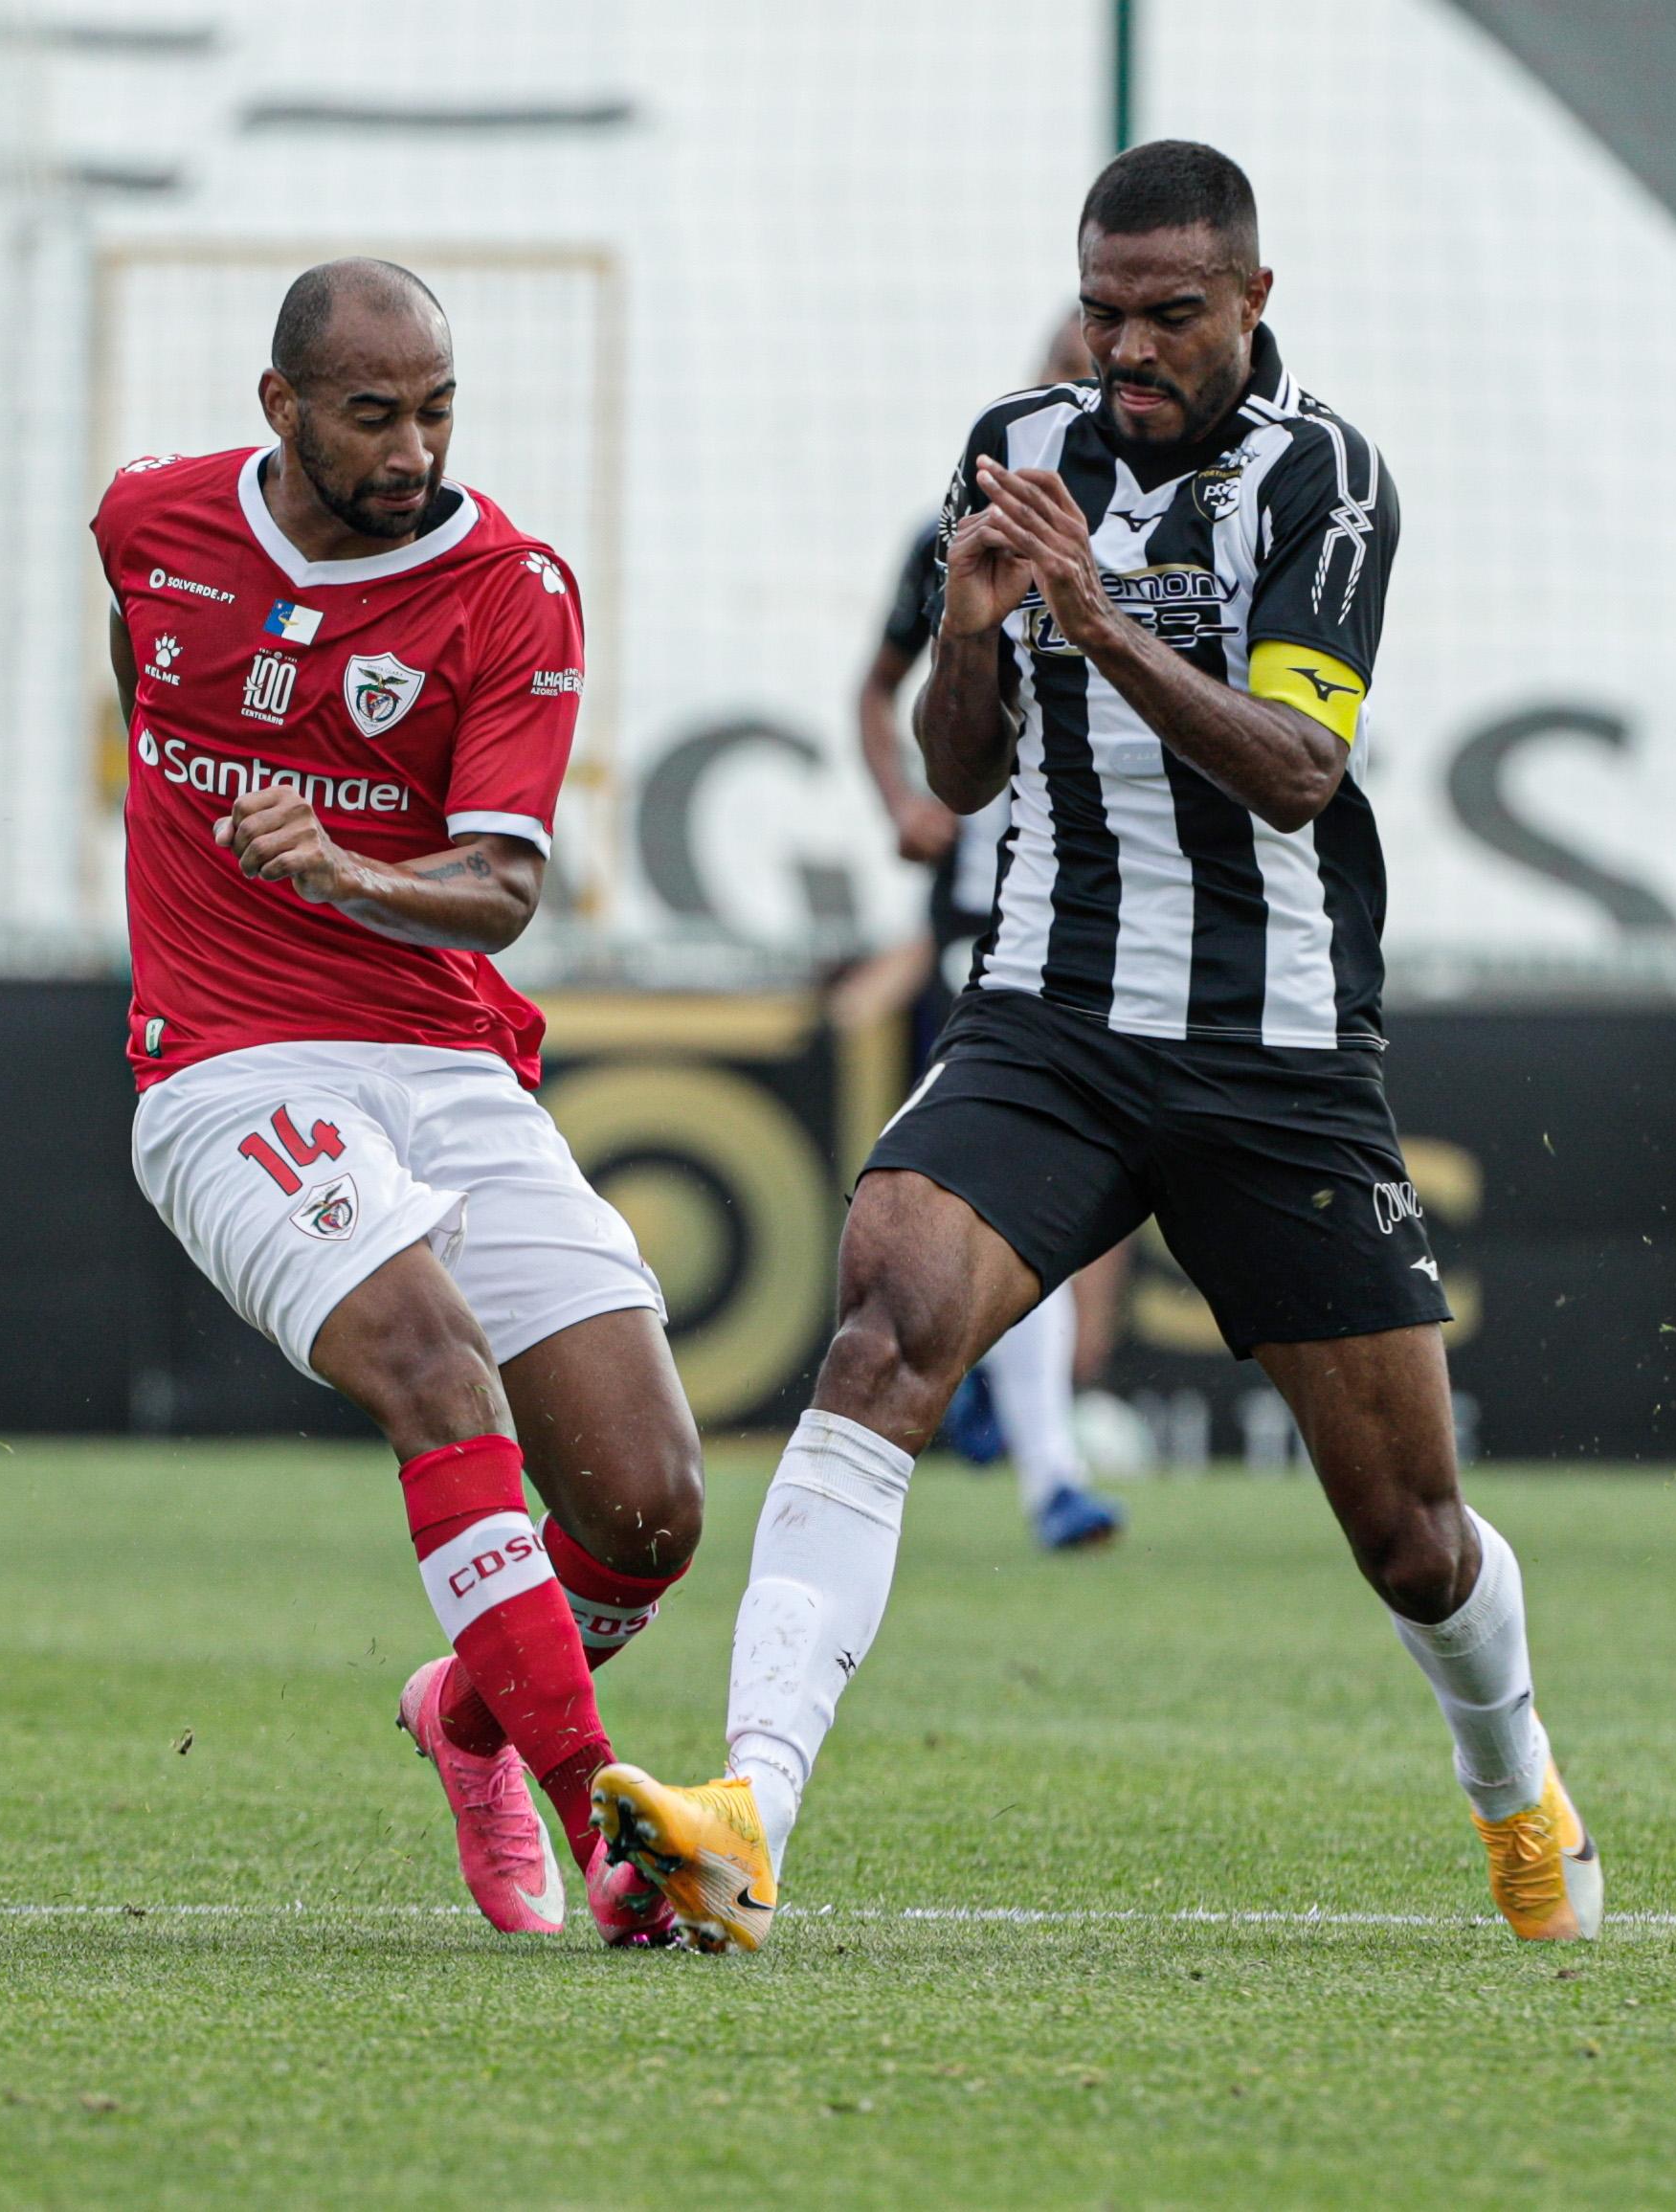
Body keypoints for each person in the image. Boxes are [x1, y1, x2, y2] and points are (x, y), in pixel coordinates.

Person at [593, 142, 1600, 1952]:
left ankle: (1517, 1789)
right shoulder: (1023, 444)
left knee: (1411, 1538)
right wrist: (975, 636)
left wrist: (1095, 620)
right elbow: (961, 763)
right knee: (885, 1321)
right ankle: (747, 1809)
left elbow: (1298, 772)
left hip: (1272, 1052)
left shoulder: (1329, 481)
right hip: (1048, 1016)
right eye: (1105, 309)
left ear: (1254, 303)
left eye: (1170, 316)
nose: (1127, 351)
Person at [95, 259, 704, 1944]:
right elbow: (154, 698)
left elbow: (505, 890)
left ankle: (468, 1709)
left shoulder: (509, 587)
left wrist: (349, 863)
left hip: (447, 1061)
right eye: (375, 415)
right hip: (227, 1065)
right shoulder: (146, 525)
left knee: (648, 1507)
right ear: (279, 405)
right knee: (432, 1363)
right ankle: (607, 1828)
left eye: (438, 411)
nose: (415, 449)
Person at [851, 315, 1131, 1552]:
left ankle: (1023, 1413)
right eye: (1076, 368)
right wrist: (904, 803)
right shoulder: (958, 527)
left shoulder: (1187, 529)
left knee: (1070, 1201)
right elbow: (878, 685)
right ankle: (1041, 1455)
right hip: (990, 922)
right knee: (988, 1186)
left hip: (1123, 922)